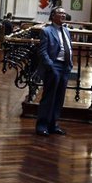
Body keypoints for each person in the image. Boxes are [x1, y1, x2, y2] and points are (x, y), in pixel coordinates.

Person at [35, 7, 73, 136]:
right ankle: (42, 126)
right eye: (60, 13)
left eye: (64, 13)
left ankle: (53, 125)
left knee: (59, 98)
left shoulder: (66, 30)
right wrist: (51, 66)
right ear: (53, 16)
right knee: (49, 97)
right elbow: (42, 51)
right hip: (54, 66)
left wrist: (70, 64)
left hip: (65, 67)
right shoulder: (46, 31)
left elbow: (69, 47)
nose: (63, 15)